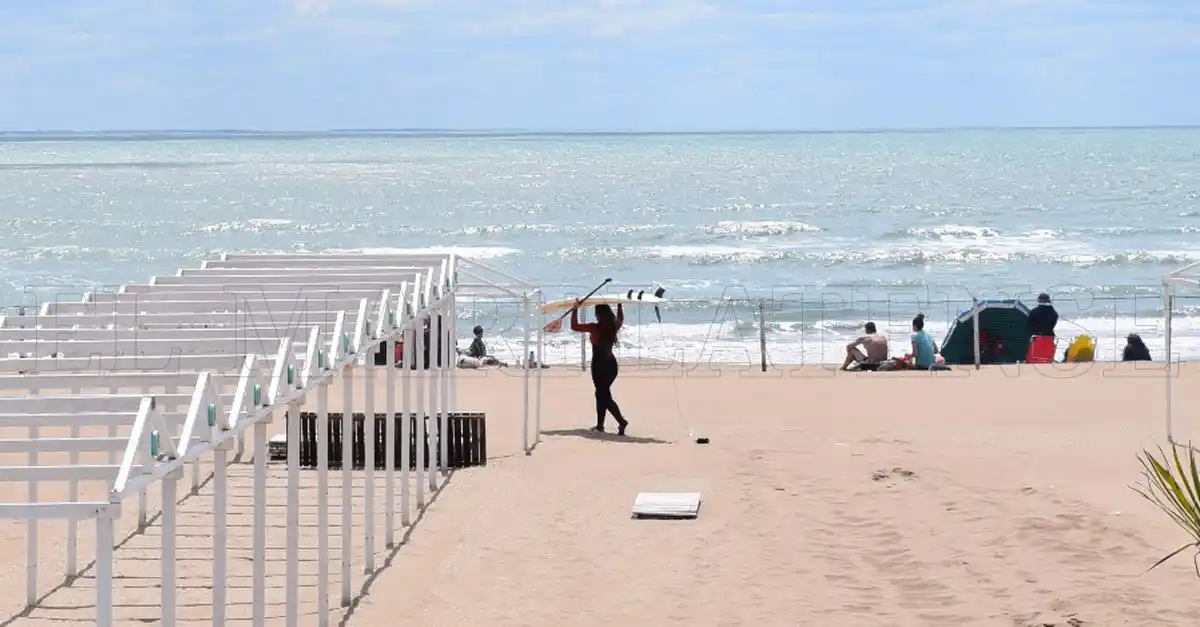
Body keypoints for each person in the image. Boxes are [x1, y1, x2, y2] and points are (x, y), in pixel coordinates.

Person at [570, 302, 628, 435]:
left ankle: (621, 421)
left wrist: (574, 310)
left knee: (602, 394)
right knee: (602, 393)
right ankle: (600, 426)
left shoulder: (595, 328)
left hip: (599, 365)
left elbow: (574, 326)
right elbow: (620, 319)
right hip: (611, 365)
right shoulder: (614, 326)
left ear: (598, 315)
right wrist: (619, 305)